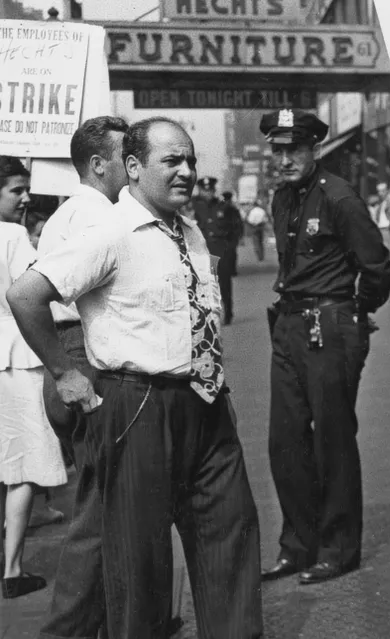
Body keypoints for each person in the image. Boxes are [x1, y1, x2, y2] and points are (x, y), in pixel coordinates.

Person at [7, 117, 262, 637]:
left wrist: (217, 388)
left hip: (205, 405)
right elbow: (25, 295)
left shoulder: (188, 229)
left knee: (230, 536)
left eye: (191, 160)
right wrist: (64, 373)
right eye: (173, 161)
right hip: (138, 407)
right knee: (139, 563)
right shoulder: (108, 231)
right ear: (133, 167)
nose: (187, 171)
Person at [258, 109, 390, 586]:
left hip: (329, 322)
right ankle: (298, 546)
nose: (285, 158)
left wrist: (353, 312)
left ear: (316, 149)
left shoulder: (339, 197)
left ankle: (337, 549)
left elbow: (377, 267)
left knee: (332, 438)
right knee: (285, 441)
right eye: (278, 149)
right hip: (289, 323)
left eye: (294, 148)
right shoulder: (281, 199)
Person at [35, 116, 129, 638]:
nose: (133, 163)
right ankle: (67, 631)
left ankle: (123, 617)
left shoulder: (63, 215)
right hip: (82, 354)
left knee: (108, 499)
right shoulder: (98, 218)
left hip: (67, 355)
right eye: (124, 154)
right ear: (98, 164)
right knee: (100, 506)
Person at [0, 157, 66, 600]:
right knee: (21, 466)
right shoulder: (12, 235)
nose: (26, 198)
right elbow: (35, 291)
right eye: (15, 190)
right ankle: (12, 569)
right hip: (15, 354)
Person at [192, 177, 240, 324]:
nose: (208, 193)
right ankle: (209, 315)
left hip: (221, 251)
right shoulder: (192, 206)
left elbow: (236, 226)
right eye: (204, 190)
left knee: (224, 283)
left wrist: (231, 246)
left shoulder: (224, 207)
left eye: (210, 190)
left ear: (213, 190)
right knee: (204, 285)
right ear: (200, 191)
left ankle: (228, 312)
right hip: (201, 252)